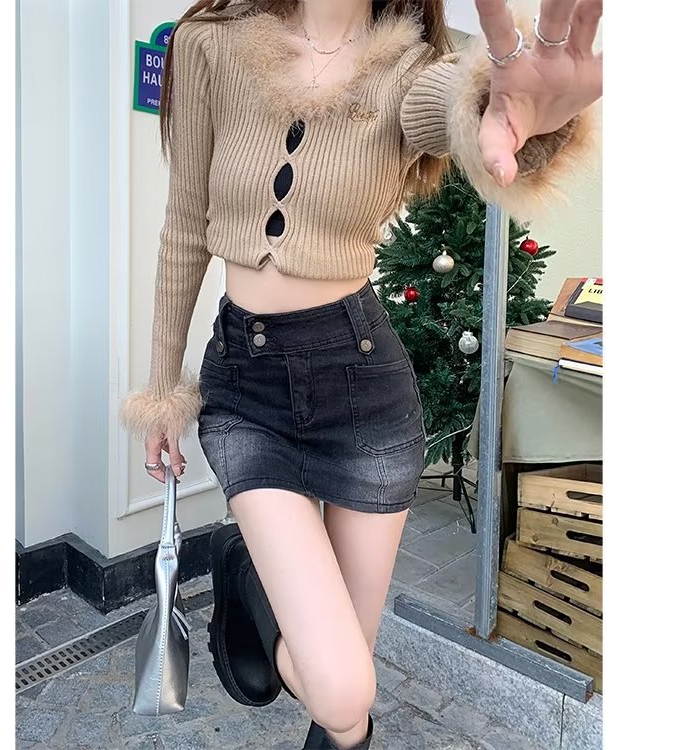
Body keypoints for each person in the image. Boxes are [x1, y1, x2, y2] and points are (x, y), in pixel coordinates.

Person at [120, 0, 602, 747]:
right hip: (248, 391)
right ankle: (248, 571)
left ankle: (260, 599)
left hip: (364, 392)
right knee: (346, 687)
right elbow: (184, 226)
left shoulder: (409, 70)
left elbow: (466, 113)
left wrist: (523, 121)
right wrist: (161, 392)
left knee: (340, 714)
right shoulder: (210, 45)